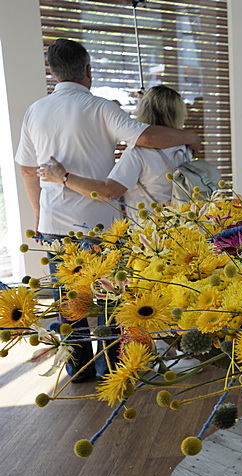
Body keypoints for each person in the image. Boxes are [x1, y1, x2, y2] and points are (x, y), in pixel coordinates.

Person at [15, 39, 201, 382]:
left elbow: (27, 170)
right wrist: (188, 135)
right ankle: (110, 371)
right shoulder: (99, 107)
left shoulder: (34, 111)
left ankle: (77, 370)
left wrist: (39, 216)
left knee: (69, 300)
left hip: (55, 222)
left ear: (53, 72)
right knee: (108, 301)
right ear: (88, 70)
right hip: (101, 225)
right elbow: (145, 138)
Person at [38, 85, 190, 222]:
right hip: (182, 230)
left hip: (151, 233)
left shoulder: (138, 153)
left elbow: (109, 192)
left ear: (144, 111)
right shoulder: (184, 149)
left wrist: (63, 177)